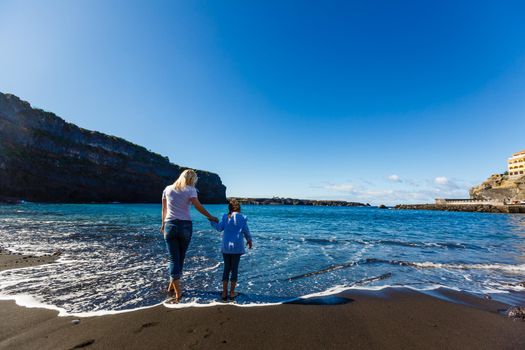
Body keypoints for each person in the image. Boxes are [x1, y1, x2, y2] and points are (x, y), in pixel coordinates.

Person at [161, 169, 218, 302]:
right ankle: (178, 292)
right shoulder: (190, 189)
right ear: (192, 179)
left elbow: (164, 209)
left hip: (169, 225)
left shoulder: (167, 189)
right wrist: (210, 216)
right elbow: (197, 206)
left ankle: (171, 286)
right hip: (185, 226)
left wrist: (163, 225)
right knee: (179, 258)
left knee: (174, 258)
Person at [211, 199, 253, 301]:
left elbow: (219, 228)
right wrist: (249, 240)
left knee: (226, 269)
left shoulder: (226, 217)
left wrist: (212, 221)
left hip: (226, 248)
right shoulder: (242, 217)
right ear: (239, 208)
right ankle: (232, 292)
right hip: (237, 248)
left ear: (229, 208)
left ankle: (224, 293)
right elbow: (246, 230)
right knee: (234, 269)